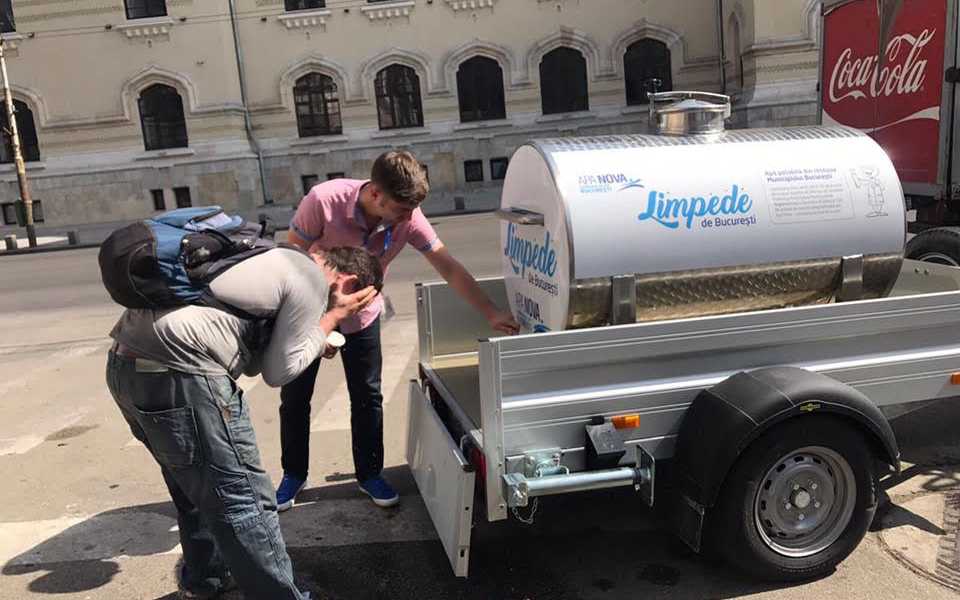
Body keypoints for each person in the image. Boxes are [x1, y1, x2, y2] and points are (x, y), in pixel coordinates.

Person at [106, 245, 381, 600]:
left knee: (193, 486)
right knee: (247, 502)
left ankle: (207, 579)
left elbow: (249, 357)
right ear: (350, 283)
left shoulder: (270, 257)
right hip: (181, 374)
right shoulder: (310, 278)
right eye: (354, 308)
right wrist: (332, 317)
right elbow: (278, 373)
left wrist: (312, 339)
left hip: (125, 367)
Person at [278, 150, 519, 511]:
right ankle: (293, 475)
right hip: (309, 312)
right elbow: (289, 257)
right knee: (296, 396)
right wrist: (319, 322)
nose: (408, 218)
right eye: (401, 210)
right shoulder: (323, 201)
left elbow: (447, 266)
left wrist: (491, 312)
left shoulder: (410, 216)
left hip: (362, 315)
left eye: (412, 211)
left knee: (368, 397)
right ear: (376, 193)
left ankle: (369, 474)